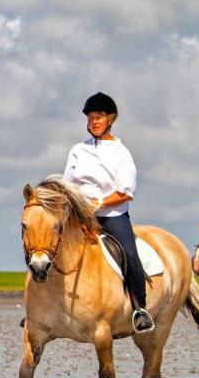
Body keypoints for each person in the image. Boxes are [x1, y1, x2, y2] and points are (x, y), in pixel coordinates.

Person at [63, 92, 152, 334]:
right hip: (80, 215)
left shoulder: (121, 152)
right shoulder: (77, 150)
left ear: (110, 119)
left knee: (130, 256)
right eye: (90, 118)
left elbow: (126, 192)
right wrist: (77, 209)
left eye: (99, 117)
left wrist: (98, 203)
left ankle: (139, 309)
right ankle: (40, 306)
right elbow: (67, 185)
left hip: (112, 216)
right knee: (48, 243)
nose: (93, 122)